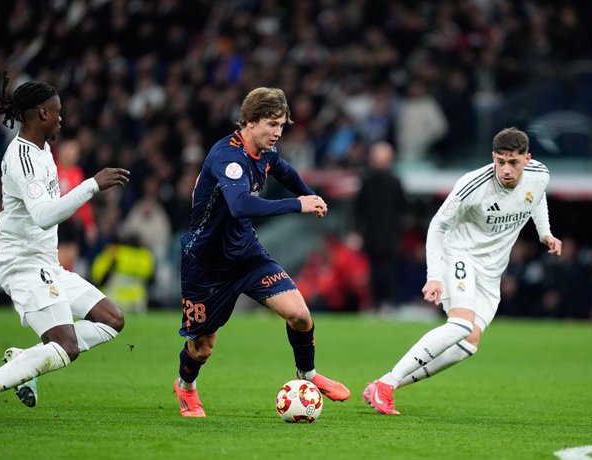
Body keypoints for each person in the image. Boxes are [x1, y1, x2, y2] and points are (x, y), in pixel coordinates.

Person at [0, 72, 130, 426]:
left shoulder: (44, 150)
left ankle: (26, 359)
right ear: (41, 114)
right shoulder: (23, 159)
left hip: (46, 263)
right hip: (23, 264)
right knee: (66, 346)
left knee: (112, 320)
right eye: (57, 111)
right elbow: (45, 216)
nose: (62, 118)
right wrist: (93, 184)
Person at [174, 87, 350, 417]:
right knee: (202, 348)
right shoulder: (228, 156)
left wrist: (312, 197)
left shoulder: (266, 151)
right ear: (251, 121)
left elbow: (285, 171)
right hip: (207, 263)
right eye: (272, 124)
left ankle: (308, 376)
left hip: (247, 254)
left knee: (299, 314)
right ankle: (185, 386)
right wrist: (298, 204)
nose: (277, 133)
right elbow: (240, 206)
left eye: (282, 125)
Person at [363, 127, 562, 415]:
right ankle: (387, 385)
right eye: (500, 161)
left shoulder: (539, 174)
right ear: (493, 157)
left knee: (468, 343)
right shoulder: (472, 185)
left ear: (527, 160)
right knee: (460, 325)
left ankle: (383, 384)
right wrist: (434, 275)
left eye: (513, 163)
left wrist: (545, 233)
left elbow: (536, 196)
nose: (506, 170)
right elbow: (437, 226)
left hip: (492, 270)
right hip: (460, 256)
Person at [354, 141, 408, 314]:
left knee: (390, 271)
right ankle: (376, 303)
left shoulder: (395, 182)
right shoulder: (366, 182)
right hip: (372, 234)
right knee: (374, 271)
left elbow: (403, 209)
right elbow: (359, 210)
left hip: (391, 235)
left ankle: (391, 303)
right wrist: (357, 232)